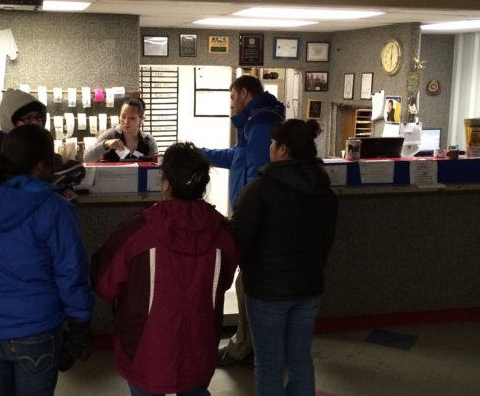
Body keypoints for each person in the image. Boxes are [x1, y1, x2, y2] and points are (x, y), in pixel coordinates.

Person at [0, 125, 94, 396]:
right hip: (37, 327)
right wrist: (80, 323)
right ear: (41, 166)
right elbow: (71, 272)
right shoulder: (55, 209)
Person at [90, 142, 240, 396]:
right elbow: (224, 281)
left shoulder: (139, 231)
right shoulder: (223, 233)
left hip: (145, 345)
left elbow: (104, 282)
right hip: (199, 340)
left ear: (166, 184)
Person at [232, 119, 338, 396]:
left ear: (282, 150)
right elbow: (326, 242)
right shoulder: (324, 192)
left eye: (271, 142)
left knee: (269, 365)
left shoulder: (258, 190)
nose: (268, 146)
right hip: (310, 288)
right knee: (300, 360)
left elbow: (238, 243)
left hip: (267, 293)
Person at [200, 74, 285, 366]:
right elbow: (237, 157)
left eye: (232, 96)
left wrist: (245, 218)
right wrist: (199, 154)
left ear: (245, 94)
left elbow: (257, 176)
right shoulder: (253, 122)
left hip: (254, 218)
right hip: (251, 215)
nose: (231, 103)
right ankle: (247, 343)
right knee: (246, 283)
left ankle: (246, 346)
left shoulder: (260, 124)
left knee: (247, 283)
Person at [0, 88, 85, 199]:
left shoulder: (40, 145)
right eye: (27, 118)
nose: (35, 123)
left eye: (38, 118)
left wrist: (65, 188)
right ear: (10, 122)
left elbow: (54, 172)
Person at [83, 97, 158, 162]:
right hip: (111, 178)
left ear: (141, 119)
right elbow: (86, 158)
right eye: (123, 117)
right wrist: (105, 144)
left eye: (132, 118)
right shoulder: (110, 135)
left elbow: (157, 167)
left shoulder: (149, 141)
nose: (126, 122)